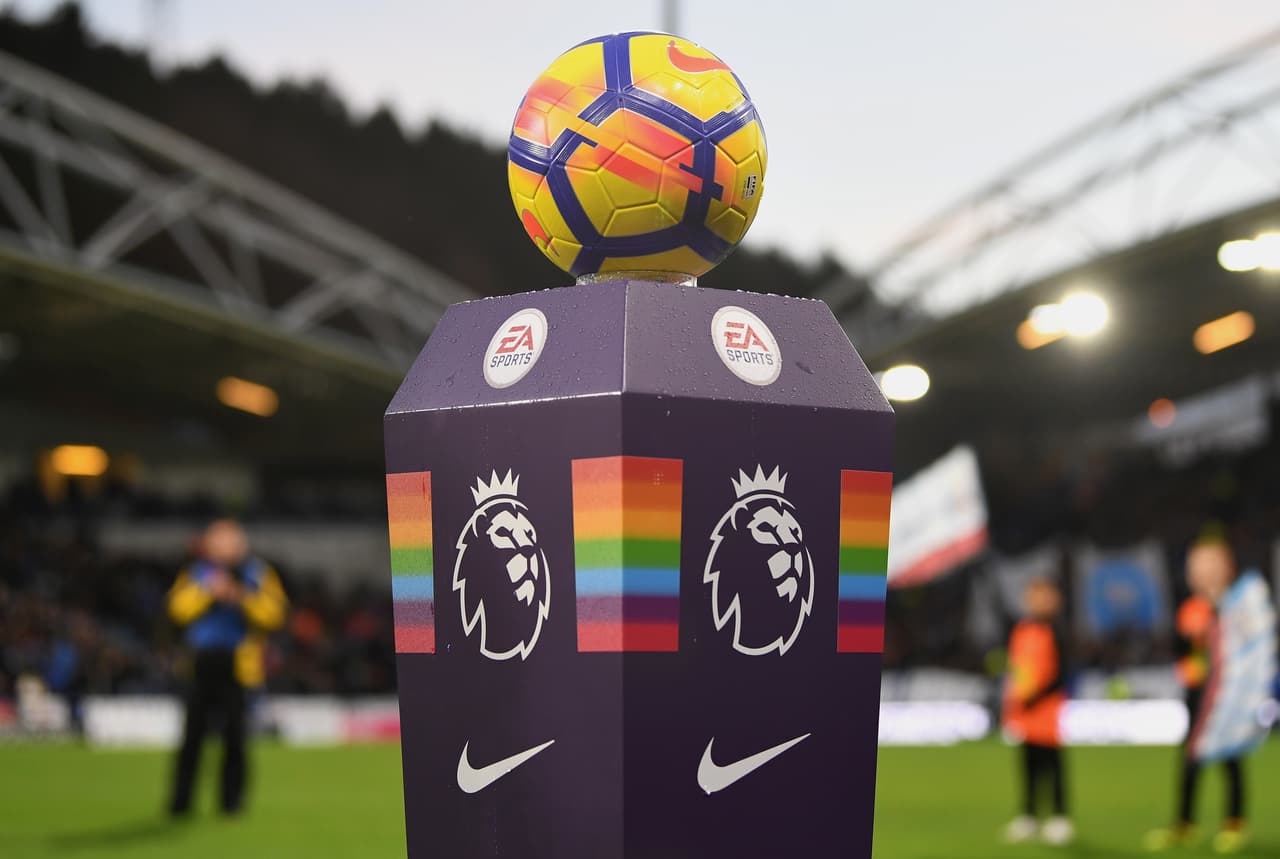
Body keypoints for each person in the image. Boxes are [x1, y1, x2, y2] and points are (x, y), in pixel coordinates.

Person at [1145, 538, 1276, 854]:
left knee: (1230, 757)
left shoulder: (1238, 604)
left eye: (1210, 564)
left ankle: (1234, 823)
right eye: (1198, 565)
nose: (1203, 571)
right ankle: (1184, 823)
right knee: (1190, 759)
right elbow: (1182, 650)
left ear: (1227, 567)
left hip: (1228, 696)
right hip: (1198, 695)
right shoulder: (1191, 607)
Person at [167, 519, 287, 817]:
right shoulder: (198, 572)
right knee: (191, 738)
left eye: (230, 540)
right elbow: (177, 609)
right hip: (200, 663)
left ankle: (231, 805)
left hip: (239, 665)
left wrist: (240, 597)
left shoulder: (257, 573)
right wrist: (209, 591)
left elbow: (274, 614)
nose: (224, 546)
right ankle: (180, 804)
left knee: (236, 739)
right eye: (217, 540)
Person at [1001, 577, 1073, 846]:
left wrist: (1037, 696)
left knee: (1052, 764)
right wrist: (1014, 701)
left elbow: (1062, 673)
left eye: (1045, 596)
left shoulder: (1056, 631)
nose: (1039, 601)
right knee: (1027, 764)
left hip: (1047, 710)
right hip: (1024, 710)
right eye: (1034, 595)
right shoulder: (1021, 629)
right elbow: (1016, 669)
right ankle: (1028, 815)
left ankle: (1059, 817)